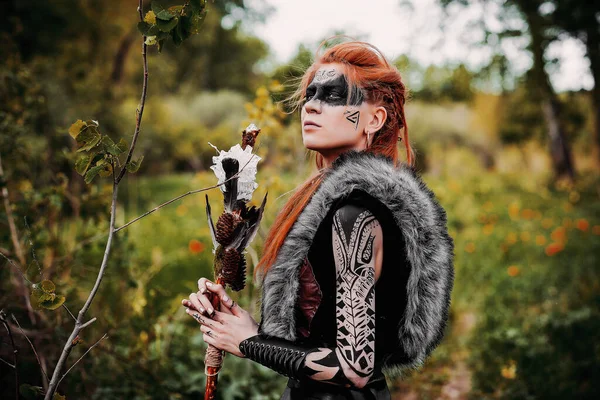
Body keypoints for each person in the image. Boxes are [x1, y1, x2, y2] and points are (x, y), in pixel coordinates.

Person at [181, 40, 455, 399]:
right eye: (310, 94)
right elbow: (321, 331)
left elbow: (354, 369)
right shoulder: (337, 206)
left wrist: (250, 343)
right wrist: (241, 326)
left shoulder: (353, 215)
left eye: (333, 95)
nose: (311, 105)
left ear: (374, 119)